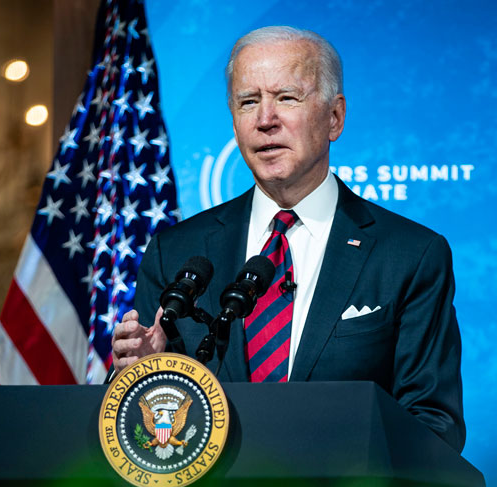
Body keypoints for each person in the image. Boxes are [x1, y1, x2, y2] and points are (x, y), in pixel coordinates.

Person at [112, 25, 465, 456]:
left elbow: (433, 423)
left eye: (286, 98)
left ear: (334, 117)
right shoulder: (178, 251)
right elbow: (146, 438)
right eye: (248, 102)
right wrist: (143, 379)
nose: (265, 120)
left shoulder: (409, 254)